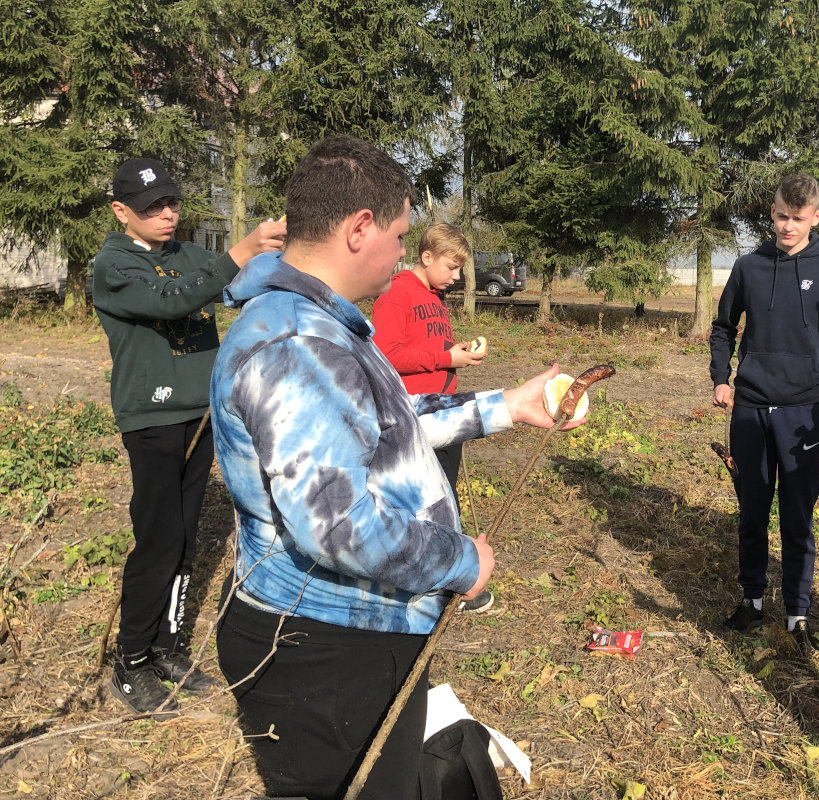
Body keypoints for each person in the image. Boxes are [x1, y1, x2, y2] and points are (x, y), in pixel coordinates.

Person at [210, 135, 582, 800]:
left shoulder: (320, 326)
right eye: (399, 235)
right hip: (322, 649)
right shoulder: (294, 344)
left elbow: (389, 421)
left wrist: (507, 404)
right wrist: (462, 562)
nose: (401, 255)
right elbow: (341, 529)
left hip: (349, 633)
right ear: (359, 228)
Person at [92, 156, 286, 716]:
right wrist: (242, 250)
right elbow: (171, 300)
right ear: (121, 211)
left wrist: (283, 250)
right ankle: (130, 663)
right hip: (151, 420)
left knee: (184, 539)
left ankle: (167, 648)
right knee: (158, 539)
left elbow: (234, 281)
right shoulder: (113, 264)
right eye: (152, 206)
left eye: (172, 202)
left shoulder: (187, 255)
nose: (167, 213)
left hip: (199, 415)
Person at [709, 173, 819, 649]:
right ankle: (752, 602)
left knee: (798, 517)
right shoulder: (748, 266)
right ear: (771, 212)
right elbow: (722, 327)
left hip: (803, 412)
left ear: (816, 218)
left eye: (797, 218)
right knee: (752, 510)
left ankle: (798, 614)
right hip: (751, 408)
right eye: (780, 215)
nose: (786, 226)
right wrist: (721, 376)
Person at [371, 223, 495, 613]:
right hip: (413, 416)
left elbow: (424, 346)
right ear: (427, 258)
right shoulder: (396, 293)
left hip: (444, 411)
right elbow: (386, 355)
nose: (457, 277)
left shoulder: (435, 297)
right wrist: (445, 357)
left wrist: (454, 351)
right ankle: (424, 585)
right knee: (420, 503)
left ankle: (449, 578)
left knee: (446, 496)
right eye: (452, 267)